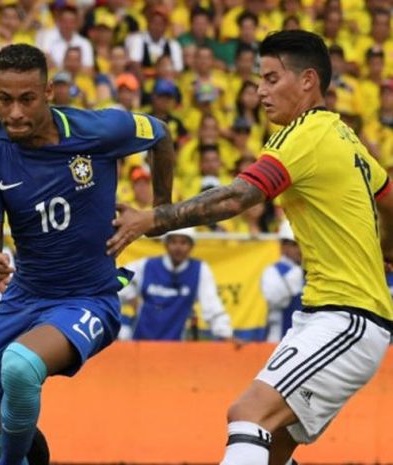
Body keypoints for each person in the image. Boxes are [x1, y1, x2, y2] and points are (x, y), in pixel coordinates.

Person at [107, 30, 393, 465]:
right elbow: (389, 200)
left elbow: (237, 197)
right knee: (272, 450)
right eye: (260, 79)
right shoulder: (345, 136)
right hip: (336, 317)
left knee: (247, 414)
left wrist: (153, 218)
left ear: (308, 81)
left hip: (347, 318)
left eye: (272, 78)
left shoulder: (304, 136)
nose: (259, 90)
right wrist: (385, 252)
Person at [0, 43, 174, 465]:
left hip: (89, 298)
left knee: (19, 368)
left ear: (49, 92)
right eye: (3, 100)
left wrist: (159, 210)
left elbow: (160, 135)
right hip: (24, 297)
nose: (14, 114)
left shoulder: (98, 130)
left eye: (26, 99)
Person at [118, 227, 233, 341]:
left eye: (183, 243)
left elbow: (212, 305)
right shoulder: (147, 265)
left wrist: (225, 334)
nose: (178, 248)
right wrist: (131, 297)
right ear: (166, 244)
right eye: (173, 242)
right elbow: (117, 281)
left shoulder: (200, 270)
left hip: (175, 346)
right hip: (139, 341)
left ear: (191, 246)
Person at [261, 220, 304, 343]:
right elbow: (275, 299)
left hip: (306, 338)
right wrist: (295, 276)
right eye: (295, 244)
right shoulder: (273, 271)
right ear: (284, 246)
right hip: (278, 339)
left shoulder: (312, 270)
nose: (300, 249)